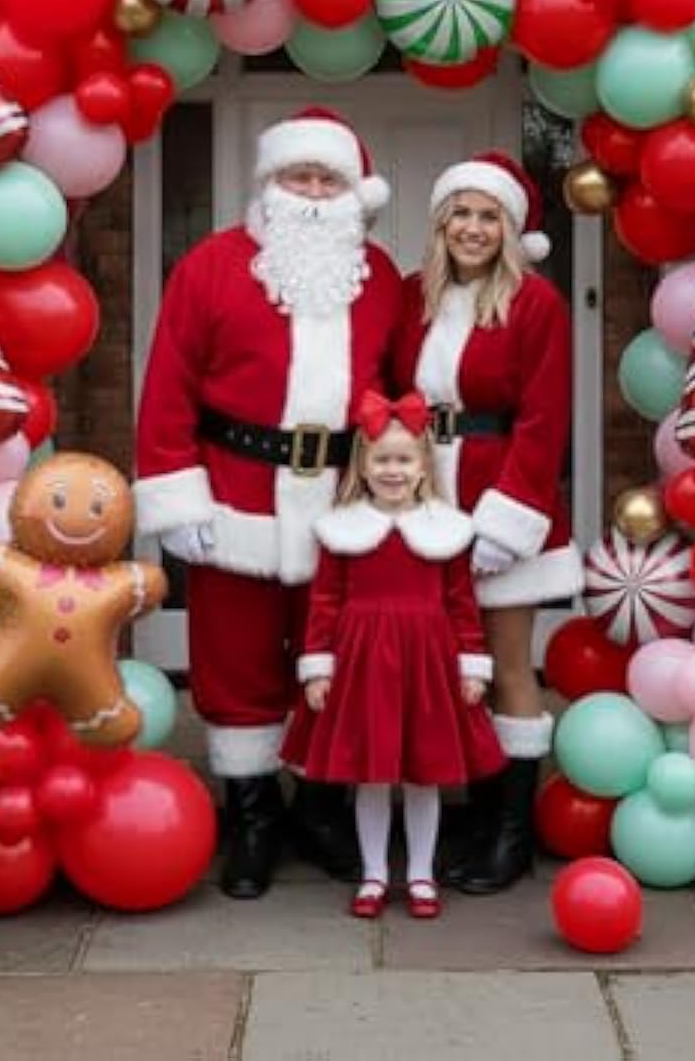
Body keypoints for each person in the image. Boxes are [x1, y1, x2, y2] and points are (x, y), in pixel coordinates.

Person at [134, 108, 402, 898]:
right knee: (235, 661)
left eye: (329, 180)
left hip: (344, 504)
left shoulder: (381, 277)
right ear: (269, 185)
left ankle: (320, 806)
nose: (314, 193)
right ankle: (251, 814)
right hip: (234, 501)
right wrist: (177, 497)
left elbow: (403, 392)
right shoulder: (211, 268)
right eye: (299, 177)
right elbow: (169, 386)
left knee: (337, 661)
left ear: (355, 194)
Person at [390, 150, 584, 894]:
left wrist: (510, 518)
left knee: (505, 666)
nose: (473, 229)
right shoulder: (416, 299)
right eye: (461, 214)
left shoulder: (537, 305)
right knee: (445, 668)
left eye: (488, 216)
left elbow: (543, 419)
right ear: (442, 224)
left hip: (503, 494)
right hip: (422, 497)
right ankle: (468, 813)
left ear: (510, 229)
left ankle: (511, 830)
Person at [281, 390, 504, 920]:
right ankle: (375, 874)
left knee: (423, 773)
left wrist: (471, 664)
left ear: (424, 464)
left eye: (404, 459)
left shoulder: (446, 531)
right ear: (363, 463)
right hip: (363, 664)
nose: (393, 470)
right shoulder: (342, 531)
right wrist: (318, 664)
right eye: (381, 459)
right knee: (373, 774)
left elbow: (461, 604)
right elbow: (325, 603)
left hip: (427, 663)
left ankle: (422, 876)